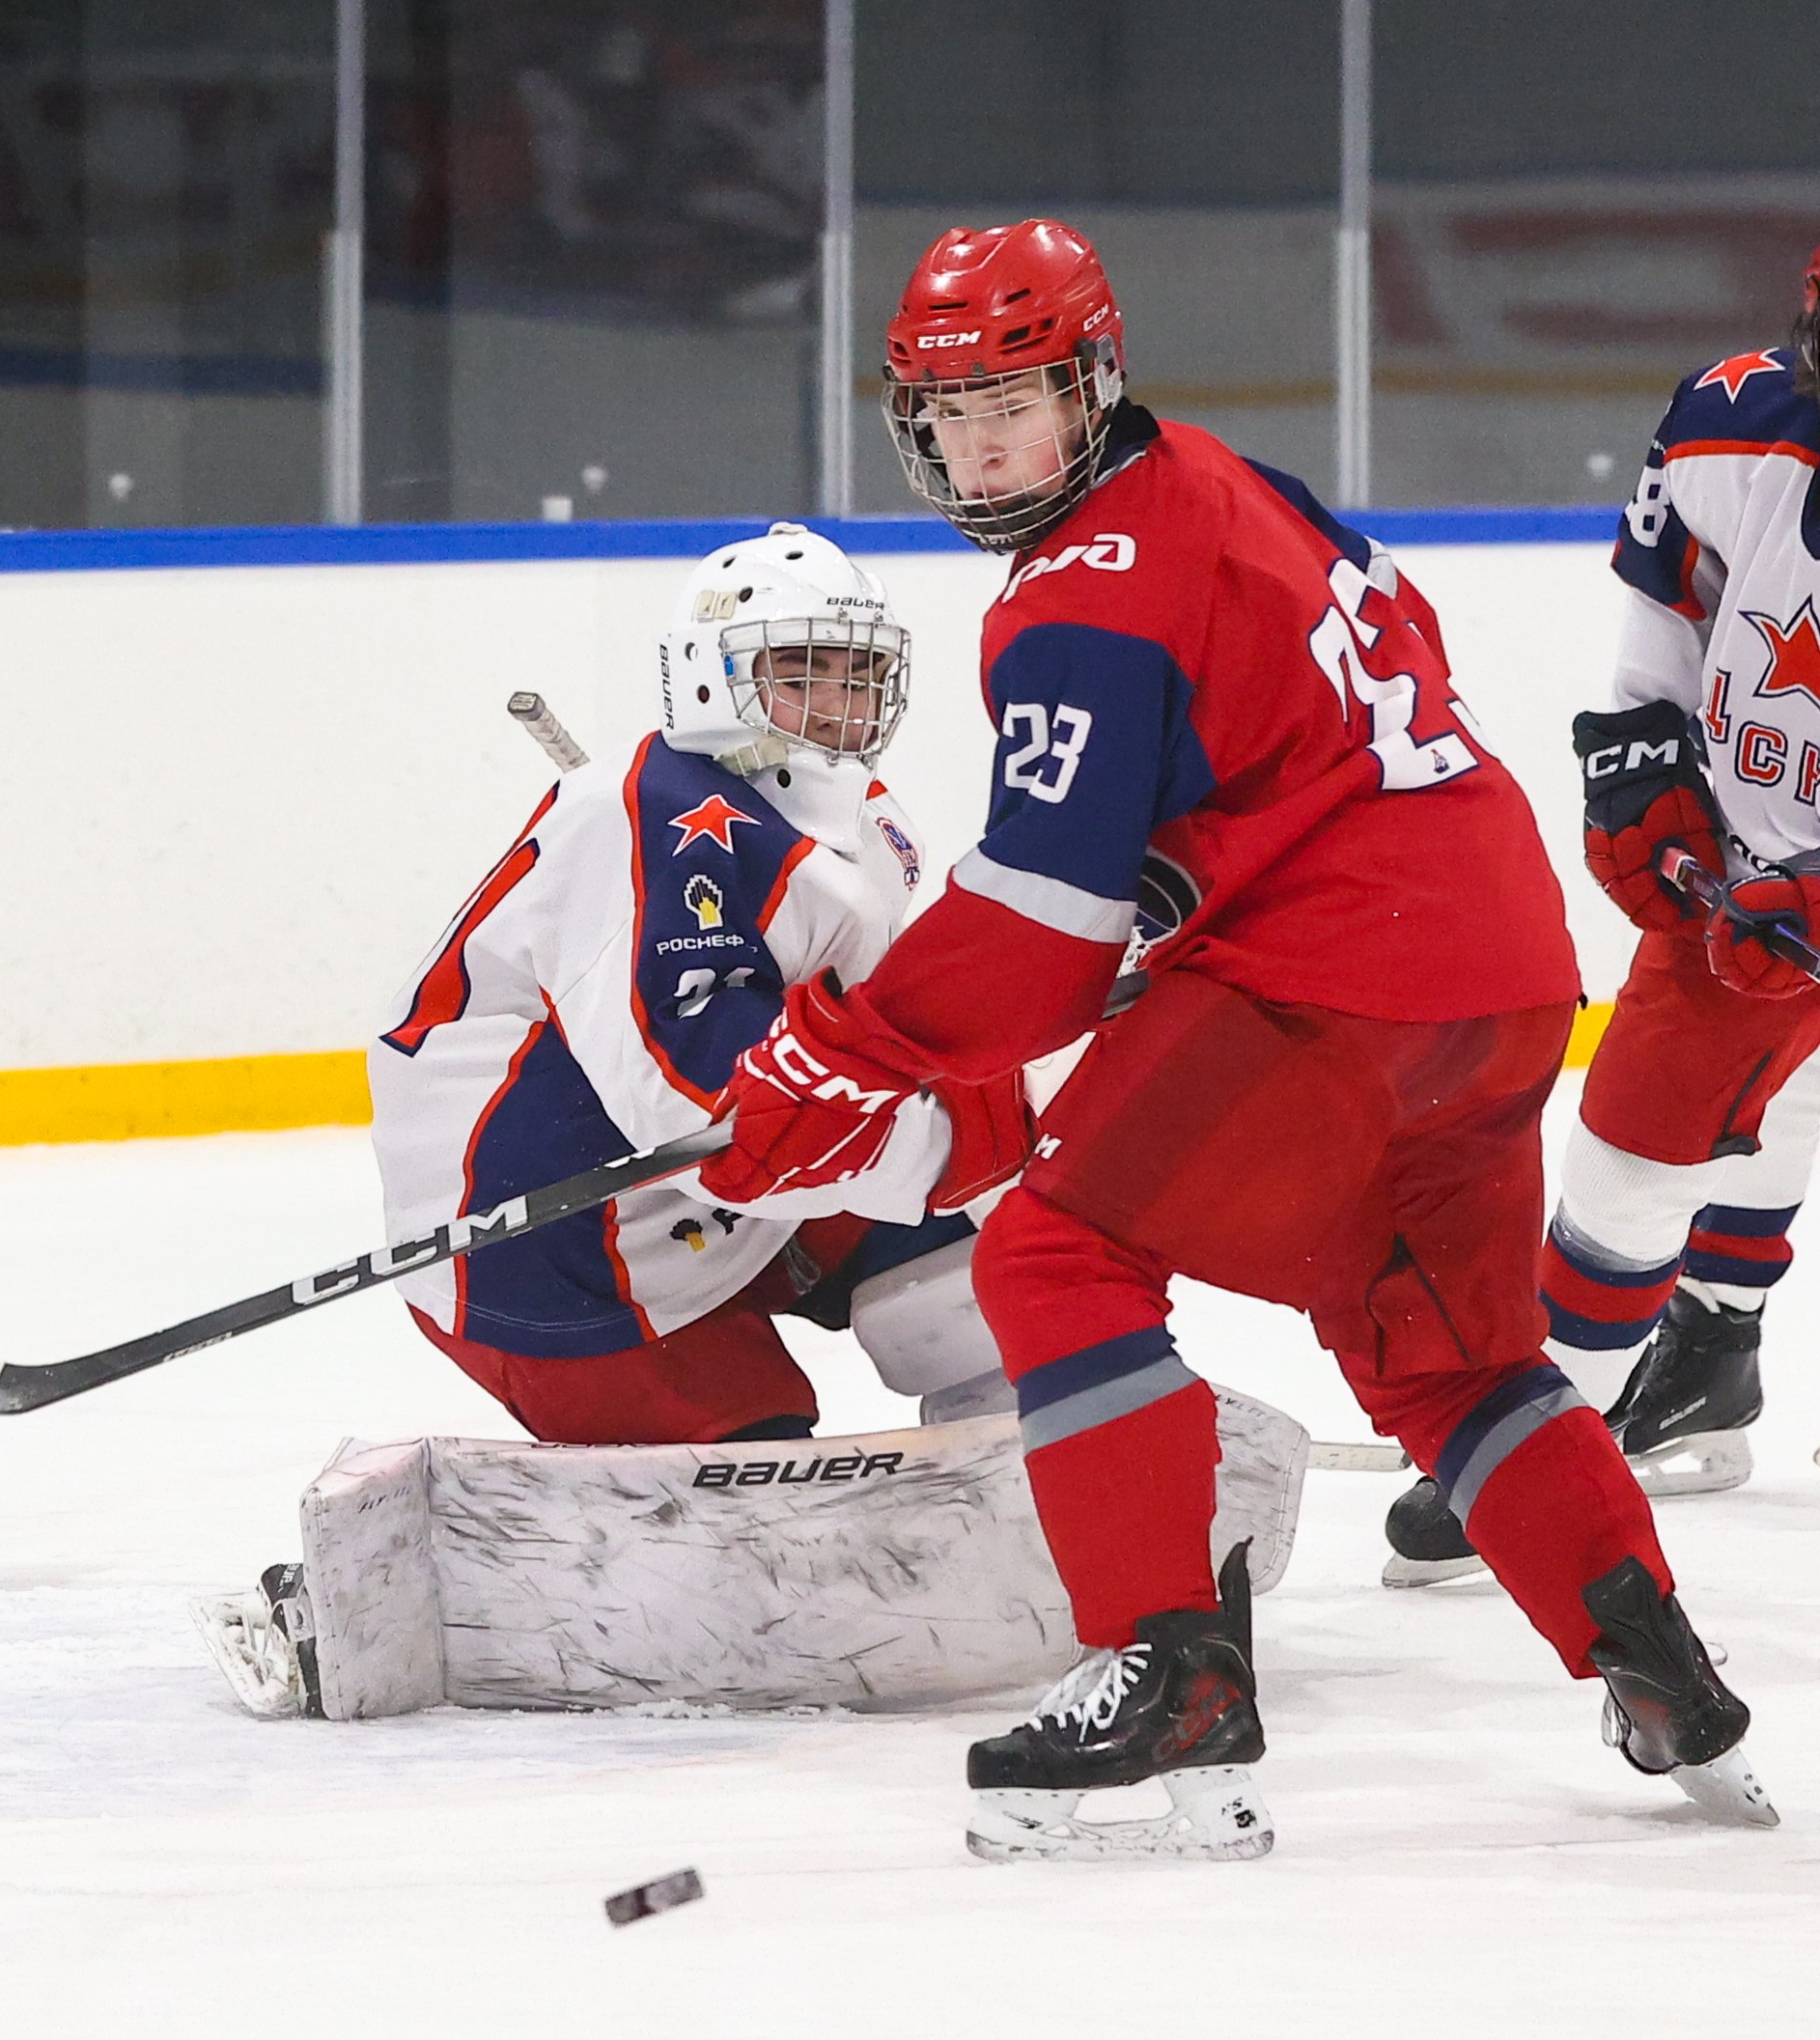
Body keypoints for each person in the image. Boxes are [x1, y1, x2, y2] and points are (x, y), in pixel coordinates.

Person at [697, 219, 1776, 1860]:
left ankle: (1169, 1677)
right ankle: (1658, 1666)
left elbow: (1040, 938)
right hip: (1492, 972)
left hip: (1332, 974)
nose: (984, 442)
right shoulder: (1231, 484)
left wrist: (837, 1045)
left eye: (1017, 399)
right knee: (1445, 1350)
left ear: (1091, 379)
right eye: (950, 409)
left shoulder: (1076, 594)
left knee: (1054, 1251)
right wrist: (1174, 878)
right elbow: (1312, 728)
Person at [367, 522, 1028, 1448]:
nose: (839, 700)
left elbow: (872, 1043)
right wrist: (953, 1144)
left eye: (856, 671)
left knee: (992, 1272)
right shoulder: (646, 830)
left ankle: (1024, 1460)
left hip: (718, 1204)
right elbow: (718, 1123)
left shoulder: (864, 824)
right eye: (801, 673)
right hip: (547, 1251)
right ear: (715, 677)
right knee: (746, 1490)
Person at [1386, 245, 1820, 1582]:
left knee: (1691, 1136)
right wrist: (1640, 756)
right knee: (1663, 1137)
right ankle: (1680, 1365)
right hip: (1753, 866)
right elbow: (1667, 618)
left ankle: (1548, 1422)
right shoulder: (1731, 418)